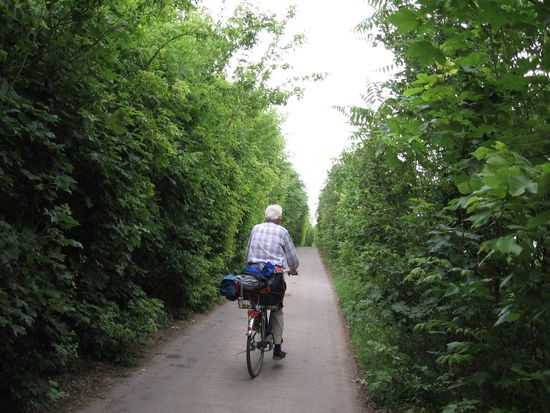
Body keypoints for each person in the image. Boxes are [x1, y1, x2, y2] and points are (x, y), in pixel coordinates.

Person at [245, 204, 299, 360]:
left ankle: (255, 322)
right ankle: (277, 348)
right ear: (279, 219)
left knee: (255, 299)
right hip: (273, 278)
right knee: (277, 309)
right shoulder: (282, 232)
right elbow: (292, 257)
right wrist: (293, 269)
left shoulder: (255, 228)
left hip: (254, 274)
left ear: (265, 217)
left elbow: (248, 253)